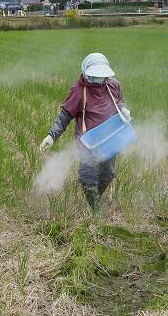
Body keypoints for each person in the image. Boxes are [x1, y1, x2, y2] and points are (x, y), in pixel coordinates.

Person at [38, 53, 131, 216]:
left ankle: (95, 197)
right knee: (88, 176)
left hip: (109, 138)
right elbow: (65, 115)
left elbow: (119, 102)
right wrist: (51, 136)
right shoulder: (79, 91)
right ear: (86, 72)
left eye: (100, 77)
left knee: (107, 174)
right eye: (94, 77)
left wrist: (123, 109)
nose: (97, 81)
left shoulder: (113, 85)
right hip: (87, 142)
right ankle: (97, 212)